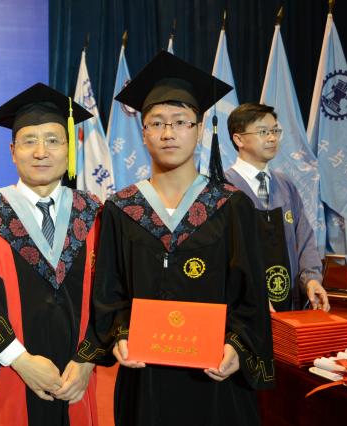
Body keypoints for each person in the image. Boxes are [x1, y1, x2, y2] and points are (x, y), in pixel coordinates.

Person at [90, 52, 274, 425]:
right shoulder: (121, 209)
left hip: (216, 377)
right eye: (156, 123)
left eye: (180, 122)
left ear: (200, 129)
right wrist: (120, 334)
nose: (168, 133)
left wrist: (237, 347)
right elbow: (108, 291)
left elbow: (251, 295)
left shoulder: (231, 205)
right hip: (145, 379)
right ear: (143, 132)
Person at [0, 83, 102, 425]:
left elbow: (109, 295)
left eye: (53, 140)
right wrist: (20, 360)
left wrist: (87, 360)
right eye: (29, 141)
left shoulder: (93, 213)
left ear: (69, 148)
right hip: (11, 375)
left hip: (76, 379)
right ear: (12, 150)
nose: (41, 152)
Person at [225, 103, 329, 312]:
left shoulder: (284, 184)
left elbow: (304, 237)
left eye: (275, 131)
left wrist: (311, 279)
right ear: (239, 139)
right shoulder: (224, 187)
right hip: (244, 308)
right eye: (263, 132)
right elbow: (224, 255)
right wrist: (251, 293)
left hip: (288, 304)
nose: (272, 138)